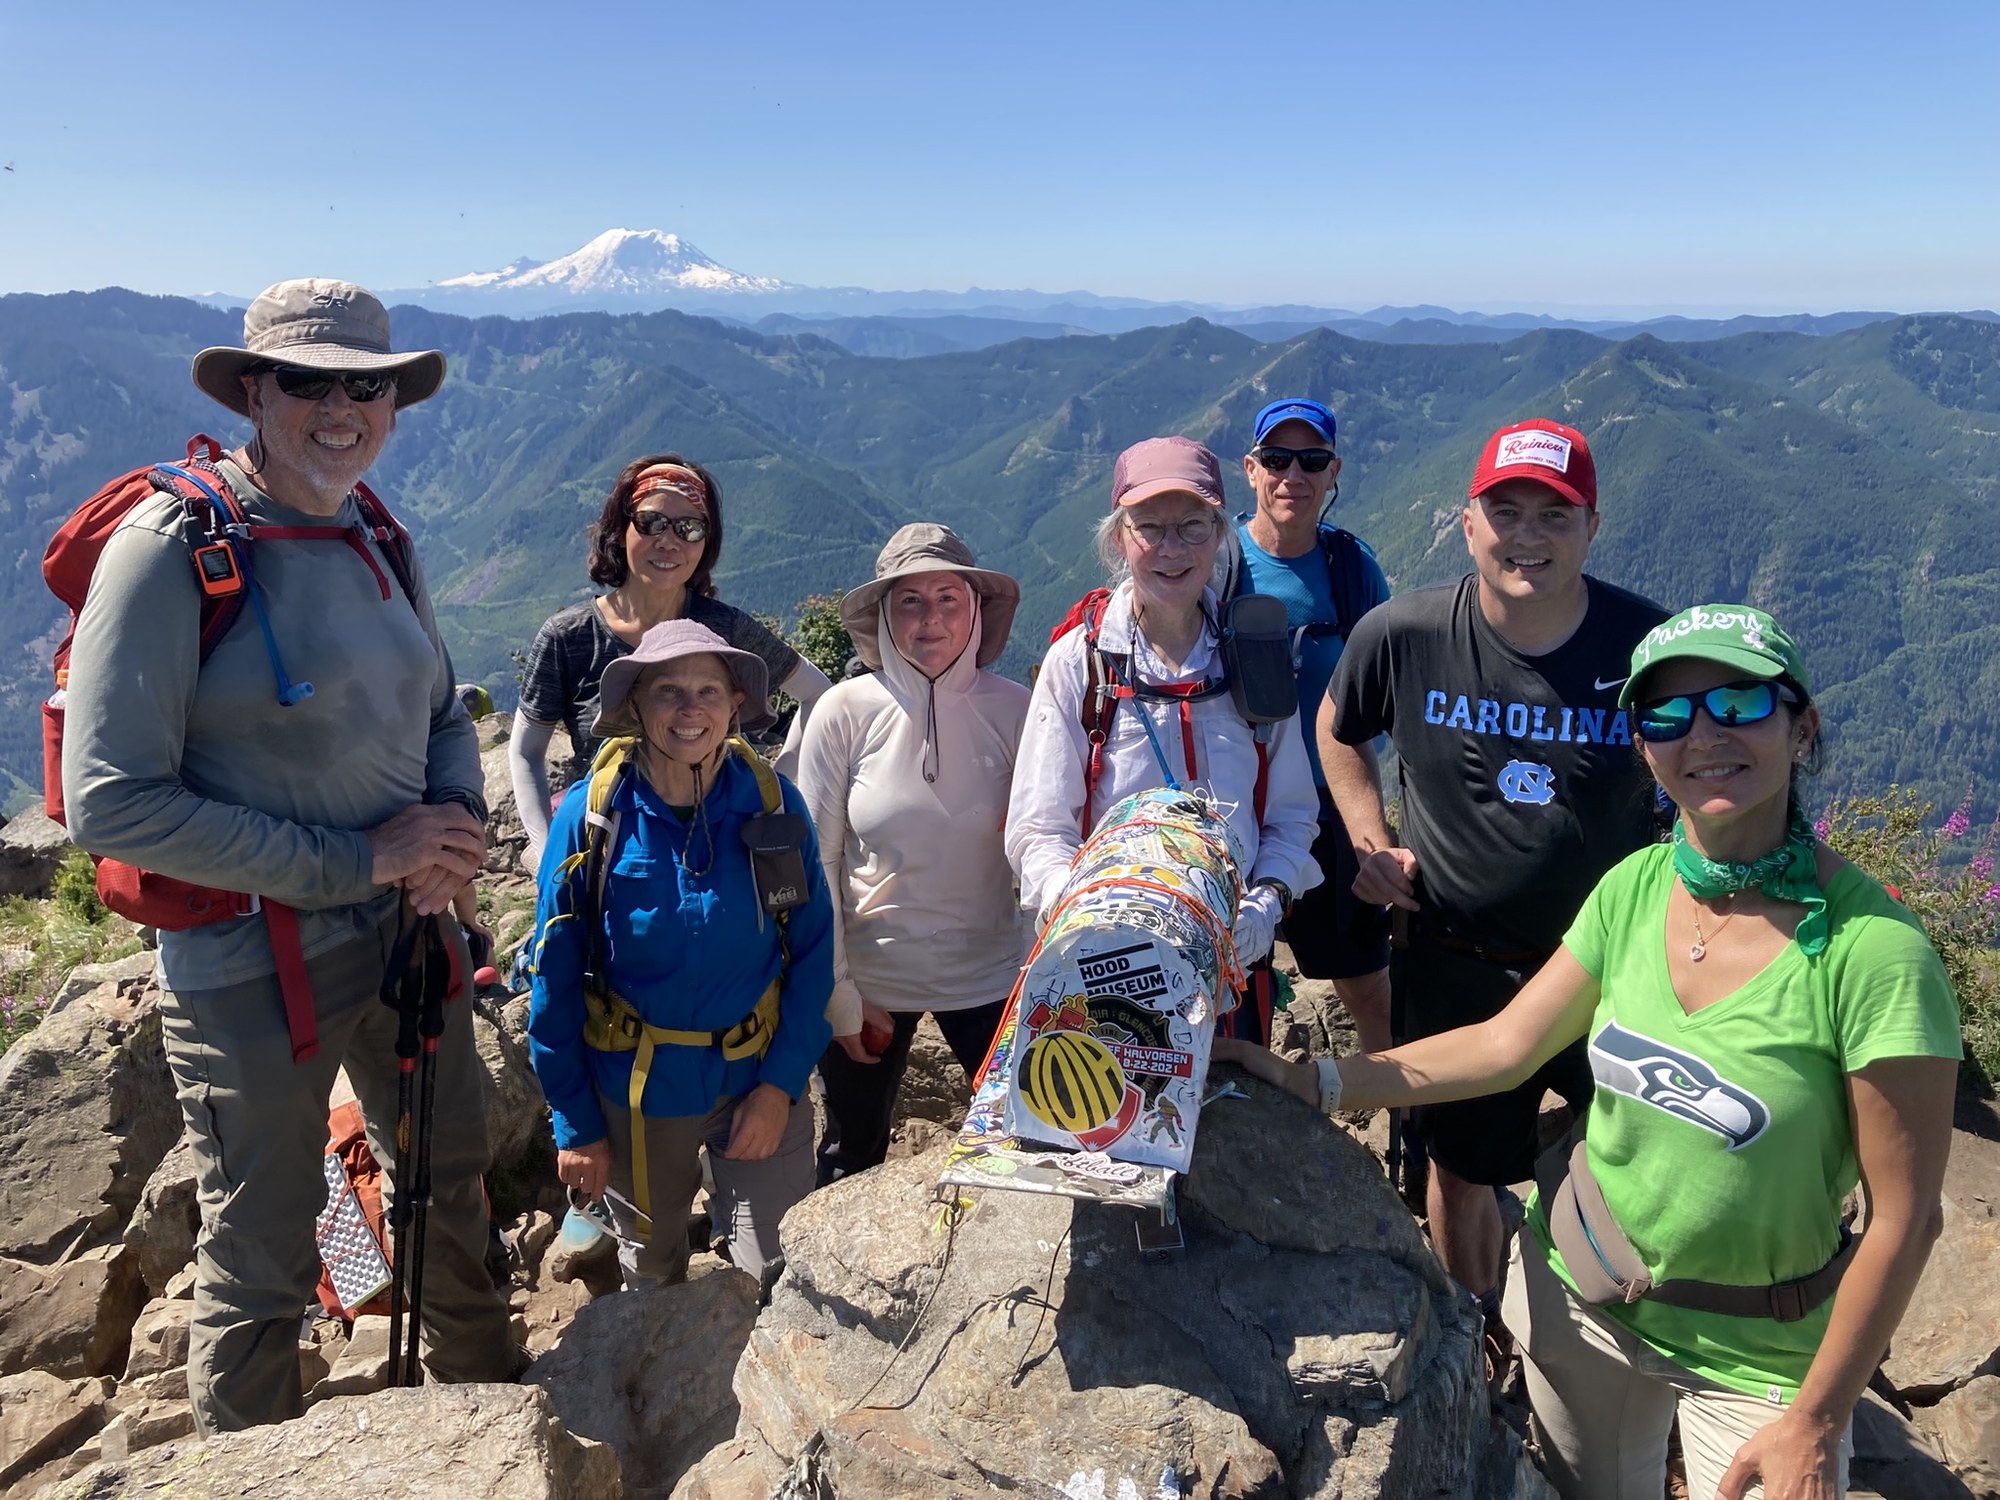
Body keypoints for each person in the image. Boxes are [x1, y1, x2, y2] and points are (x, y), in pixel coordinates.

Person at [1223, 604, 1960, 1500]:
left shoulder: (1874, 951)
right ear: (1643, 749)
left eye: (1738, 704)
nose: (1703, 735)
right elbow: (1504, 1045)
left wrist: (1817, 1419)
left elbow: (1905, 1218)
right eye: (1667, 715)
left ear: (1801, 727)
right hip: (1583, 1303)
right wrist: (1316, 1082)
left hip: (1763, 1359)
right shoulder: (1635, 889)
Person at [61, 279, 513, 1432]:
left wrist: (452, 825)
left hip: (404, 926)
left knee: (447, 1183)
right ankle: (249, 1469)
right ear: (254, 392)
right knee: (263, 1243)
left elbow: (442, 709)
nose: (341, 408)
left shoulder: (375, 531)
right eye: (309, 381)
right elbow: (109, 804)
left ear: (393, 404)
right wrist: (362, 858)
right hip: (246, 961)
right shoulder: (171, 548)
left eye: (367, 386)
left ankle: (490, 1430)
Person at [1316, 418, 1669, 1326]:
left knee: (1635, 1161)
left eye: (1554, 515)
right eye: (1505, 512)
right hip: (1457, 961)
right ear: (1467, 523)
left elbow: (1717, 770)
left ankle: (1610, 1340)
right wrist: (1370, 839)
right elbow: (1338, 725)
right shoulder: (1406, 634)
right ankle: (1475, 1329)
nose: (1526, 536)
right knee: (1461, 1169)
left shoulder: (1649, 650)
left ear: (1592, 527)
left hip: (1613, 971)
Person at [526, 619, 834, 1288]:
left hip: (756, 1074)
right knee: (652, 1268)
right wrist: (575, 1123)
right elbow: (553, 978)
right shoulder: (593, 816)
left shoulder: (771, 805)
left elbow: (813, 950)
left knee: (777, 1270)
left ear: (734, 705)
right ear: (636, 705)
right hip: (636, 1094)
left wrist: (780, 1086)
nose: (690, 709)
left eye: (709, 691)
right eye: (668, 690)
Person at [1006, 435, 1322, 1008]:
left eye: (1193, 526)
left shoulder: (1255, 657)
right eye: (1149, 527)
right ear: (1119, 539)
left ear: (1219, 535)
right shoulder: (1082, 663)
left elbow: (1291, 815)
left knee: (1233, 1073)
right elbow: (1039, 828)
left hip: (1231, 965)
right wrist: (1075, 914)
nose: (1171, 549)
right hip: (1104, 973)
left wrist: (1265, 903)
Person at [795, 524, 1032, 1184]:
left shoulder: (1018, 711)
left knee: (1025, 1146)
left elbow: (1041, 850)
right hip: (872, 980)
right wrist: (839, 994)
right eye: (910, 600)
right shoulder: (842, 712)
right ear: (883, 614)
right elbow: (818, 863)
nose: (931, 618)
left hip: (992, 981)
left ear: (976, 608)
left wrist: (1034, 985)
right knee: (850, 1154)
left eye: (948, 597)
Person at [509, 455, 834, 871]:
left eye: (690, 528)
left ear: (705, 543)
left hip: (724, 856)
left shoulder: (724, 628)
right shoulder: (568, 637)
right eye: (651, 522)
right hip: (612, 863)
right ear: (620, 527)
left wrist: (776, 785)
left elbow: (818, 695)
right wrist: (549, 854)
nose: (669, 541)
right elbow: (525, 752)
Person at [1226, 397, 1393, 1050]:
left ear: (1333, 472)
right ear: (1251, 469)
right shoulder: (1219, 564)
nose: (1292, 474)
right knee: (1227, 983)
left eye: (1312, 460)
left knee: (1366, 984)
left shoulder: (1352, 570)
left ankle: (1394, 1108)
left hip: (1331, 808)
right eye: (1276, 459)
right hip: (1234, 810)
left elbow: (1387, 687)